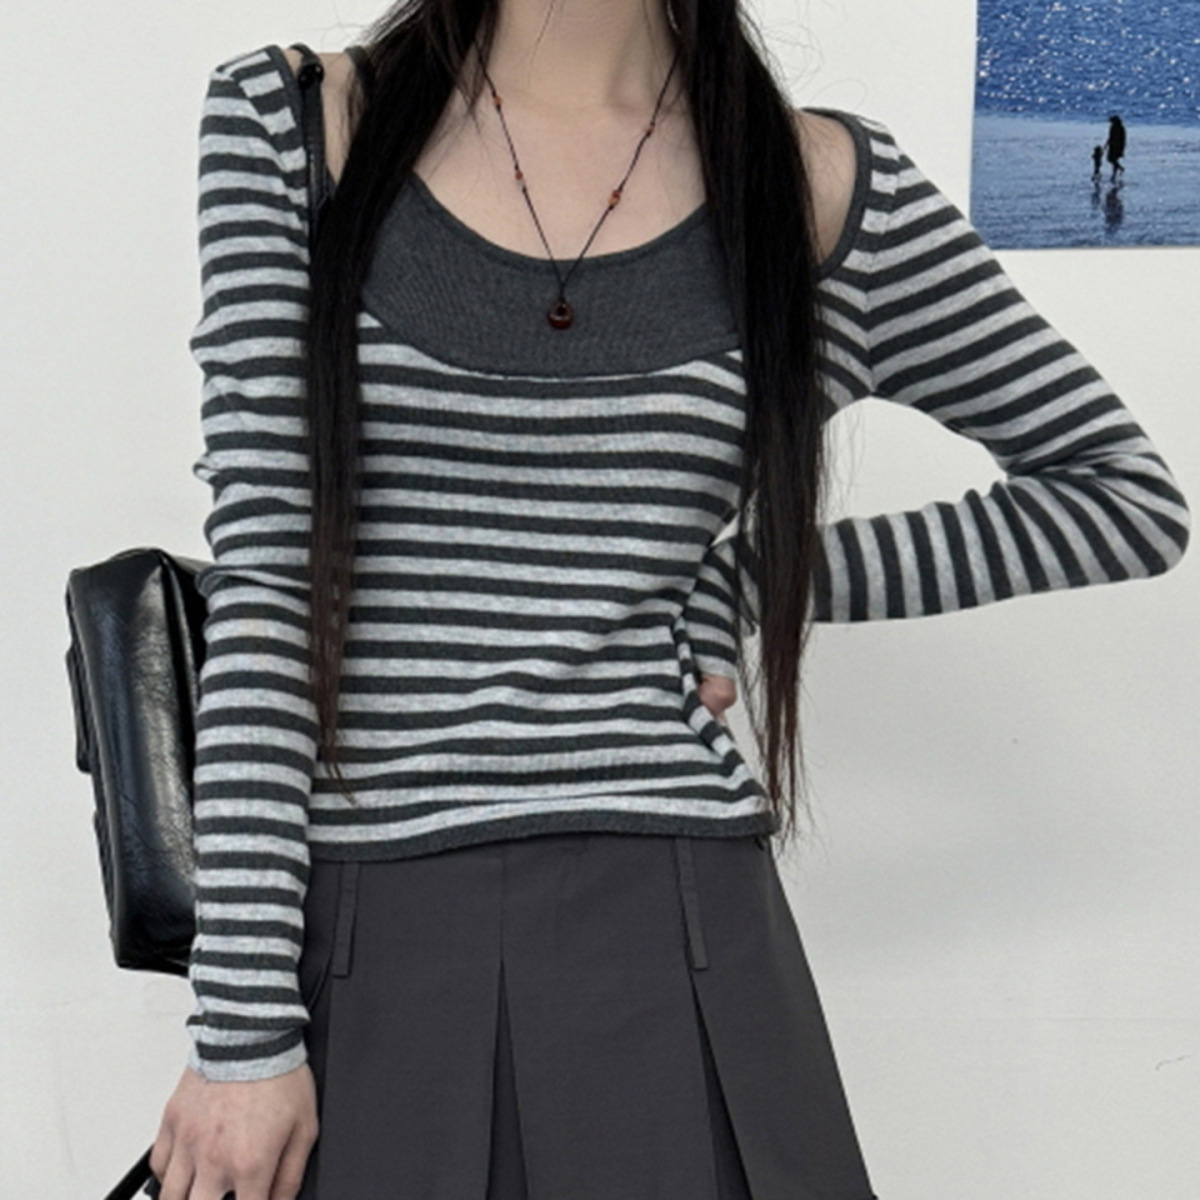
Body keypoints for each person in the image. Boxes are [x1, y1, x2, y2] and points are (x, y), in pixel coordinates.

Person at [148, 1, 1191, 1197]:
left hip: (683, 926)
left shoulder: (819, 190)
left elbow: (1123, 498)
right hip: (372, 928)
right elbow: (269, 587)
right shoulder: (296, 125)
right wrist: (240, 1035)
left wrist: (752, 579)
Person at [1105, 113, 1127, 180]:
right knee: (1111, 159)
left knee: (1113, 159)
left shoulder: (1120, 128)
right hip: (1113, 145)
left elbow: (1122, 139)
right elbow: (1110, 137)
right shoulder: (1113, 127)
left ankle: (1116, 171)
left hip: (1117, 146)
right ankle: (1118, 169)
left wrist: (1122, 148)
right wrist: (1106, 144)